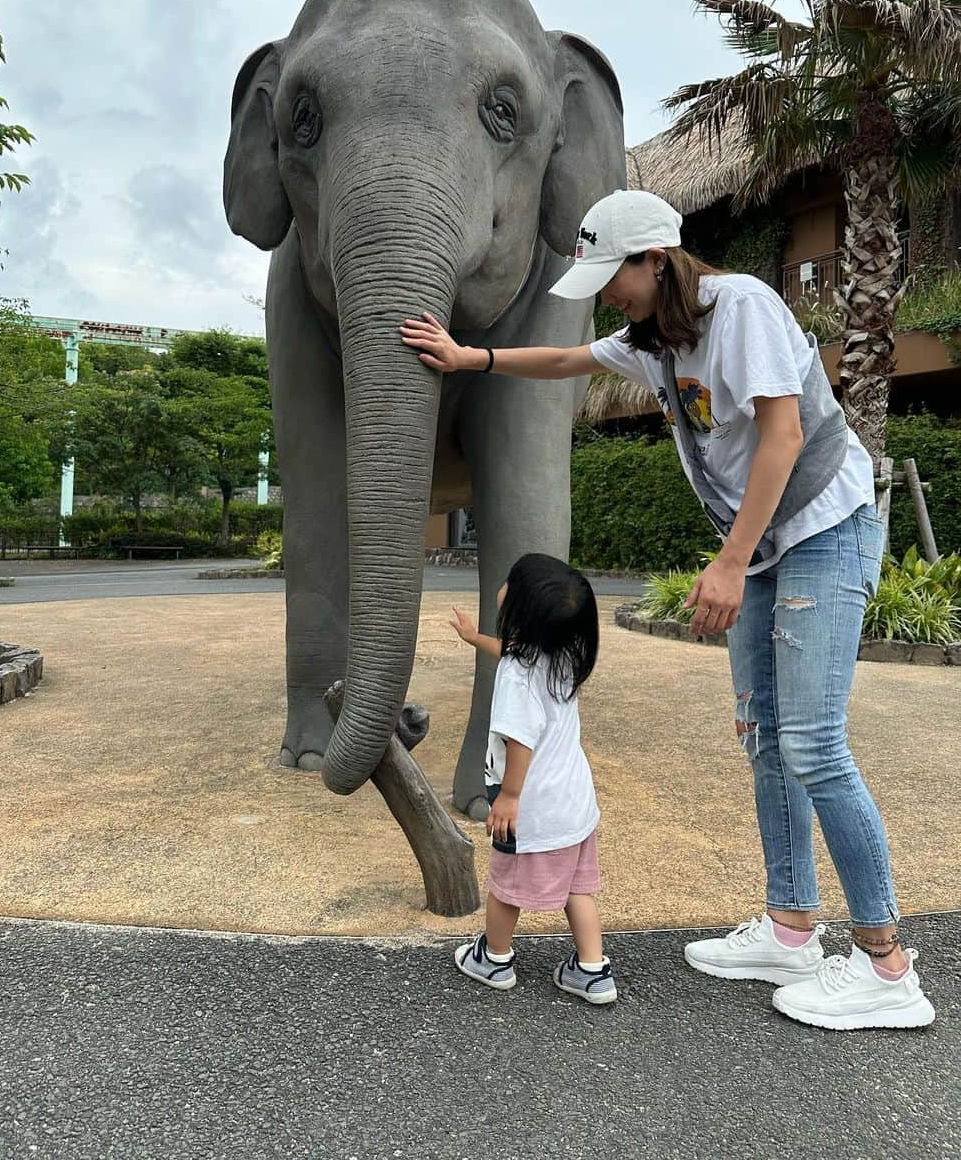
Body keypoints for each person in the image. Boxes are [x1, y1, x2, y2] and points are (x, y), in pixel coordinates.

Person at [401, 188, 935, 1031]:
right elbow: (568, 363)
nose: (608, 295)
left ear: (657, 260)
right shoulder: (653, 340)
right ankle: (792, 927)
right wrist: (474, 361)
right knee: (763, 732)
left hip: (826, 529)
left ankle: (887, 967)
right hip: (763, 545)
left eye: (615, 276)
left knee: (813, 743)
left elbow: (784, 435)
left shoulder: (744, 307)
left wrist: (727, 563)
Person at [450, 552, 615, 1006]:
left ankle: (495, 959)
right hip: (575, 804)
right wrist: (474, 638)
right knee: (578, 888)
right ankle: (592, 970)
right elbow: (514, 650)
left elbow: (518, 739)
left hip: (532, 808)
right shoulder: (567, 653)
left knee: (505, 886)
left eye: (509, 582)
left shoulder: (517, 679)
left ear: (518, 608)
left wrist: (508, 797)